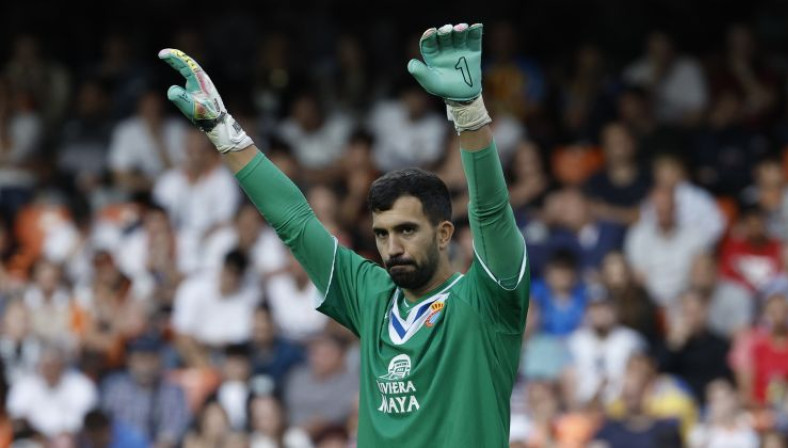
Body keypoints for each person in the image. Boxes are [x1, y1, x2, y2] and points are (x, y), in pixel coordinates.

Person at [158, 21, 529, 446]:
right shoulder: (371, 296)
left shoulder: (488, 301)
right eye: (382, 233)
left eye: (407, 230)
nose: (392, 247)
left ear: (445, 233)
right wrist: (223, 131)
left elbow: (491, 213)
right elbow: (295, 221)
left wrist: (469, 113)